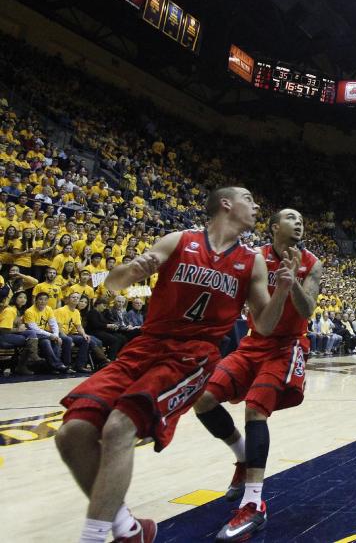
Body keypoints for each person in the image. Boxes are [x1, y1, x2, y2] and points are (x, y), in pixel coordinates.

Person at [54, 186, 295, 543]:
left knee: (119, 428)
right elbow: (113, 284)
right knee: (70, 434)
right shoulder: (179, 239)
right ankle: (127, 528)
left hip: (192, 357)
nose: (257, 204)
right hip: (146, 346)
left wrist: (284, 292)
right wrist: (133, 269)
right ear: (226, 204)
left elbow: (265, 324)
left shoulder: (251, 261)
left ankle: (92, 538)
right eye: (249, 198)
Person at [192, 208, 322, 542]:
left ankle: (253, 504)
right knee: (203, 398)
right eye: (292, 218)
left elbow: (307, 309)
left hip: (287, 345)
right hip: (254, 342)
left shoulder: (313, 262)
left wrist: (292, 283)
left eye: (302, 221)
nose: (299, 223)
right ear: (275, 227)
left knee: (255, 409)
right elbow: (247, 305)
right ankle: (242, 456)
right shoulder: (255, 258)